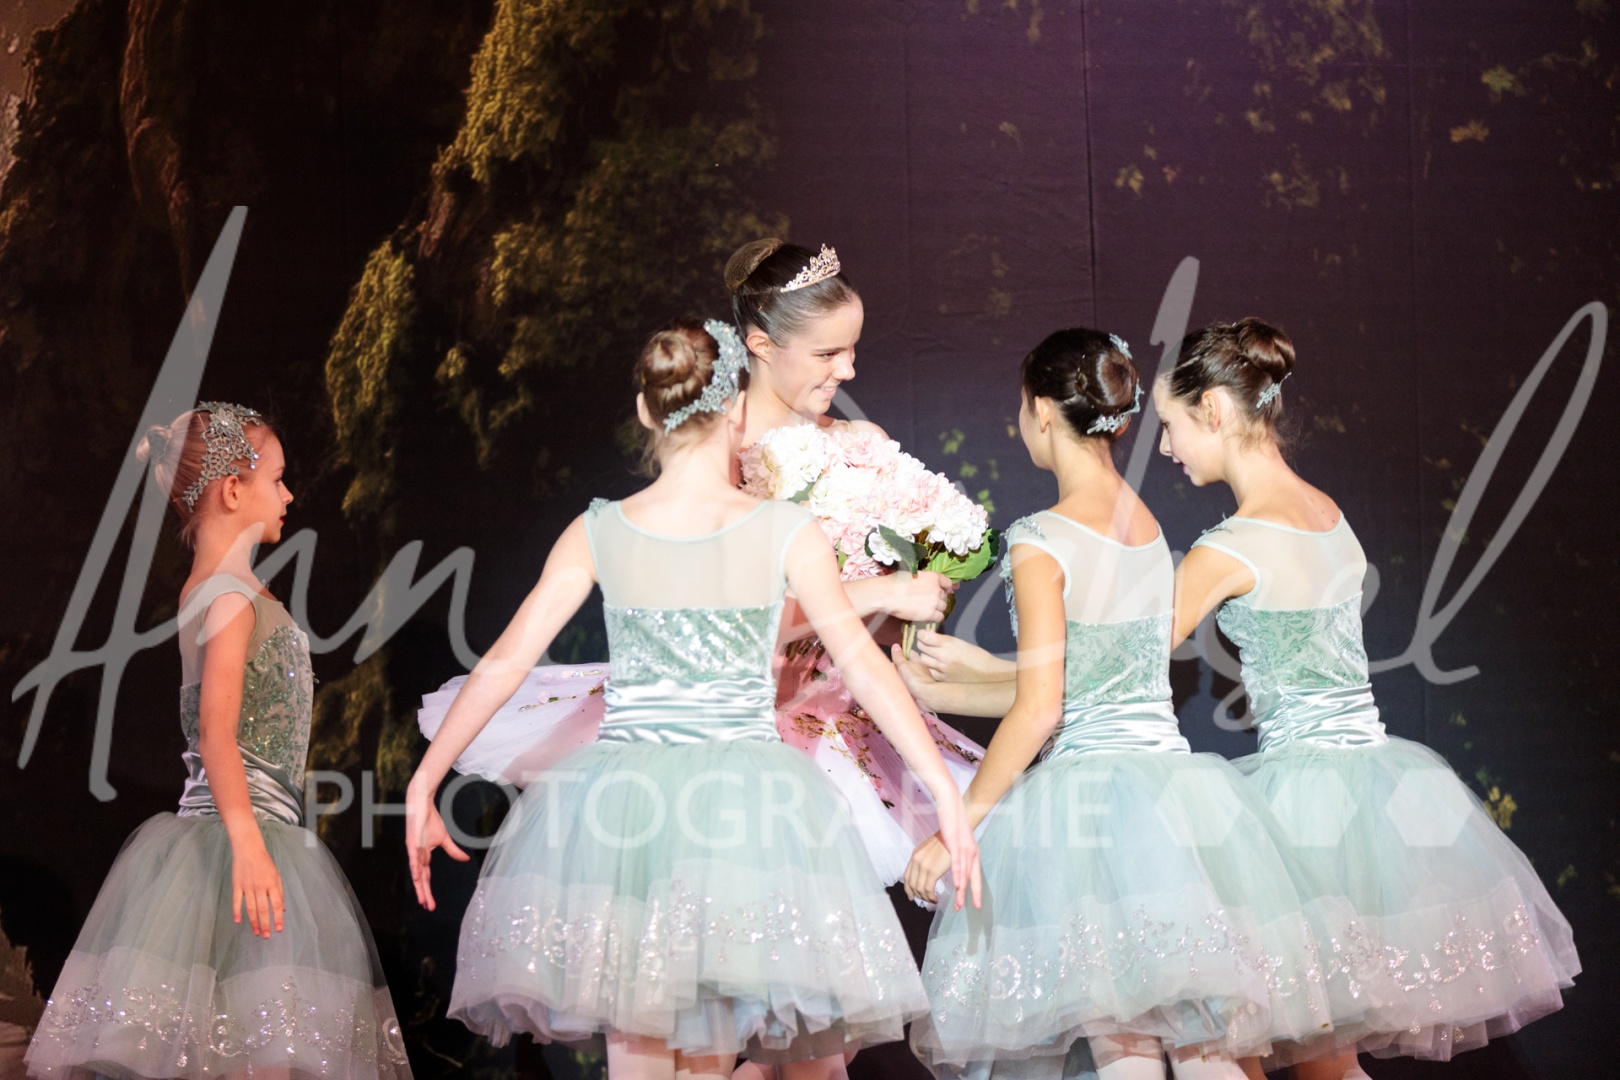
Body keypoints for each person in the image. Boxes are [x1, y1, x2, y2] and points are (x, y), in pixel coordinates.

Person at [407, 320, 981, 1079]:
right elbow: (866, 670)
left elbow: (504, 663)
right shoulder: (784, 530)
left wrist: (425, 781)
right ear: (737, 411)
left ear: (646, 412)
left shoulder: (598, 530)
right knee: (707, 1053)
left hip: (625, 817)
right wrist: (944, 793)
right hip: (739, 812)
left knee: (639, 1051)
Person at [898, 331, 1333, 1080]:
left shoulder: (1041, 539)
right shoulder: (1148, 529)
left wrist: (956, 828)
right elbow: (1099, 682)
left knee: (1123, 1050)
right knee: (1203, 1047)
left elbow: (1042, 708)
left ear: (1041, 411)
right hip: (1176, 809)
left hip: (1093, 814)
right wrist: (951, 688)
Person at [1159, 318, 1580, 1076]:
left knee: (1220, 1039)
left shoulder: (1230, 547)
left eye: (1170, 425)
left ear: (1213, 411)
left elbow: (1122, 666)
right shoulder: (1329, 515)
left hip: (1300, 811)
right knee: (1321, 1055)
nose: (1165, 448)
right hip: (1370, 796)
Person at [26, 403, 412, 1080]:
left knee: (249, 1049)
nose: (288, 495)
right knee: (249, 1052)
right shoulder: (228, 598)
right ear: (233, 489)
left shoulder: (223, 591)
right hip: (240, 837)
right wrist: (249, 845)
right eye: (278, 479)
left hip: (255, 832)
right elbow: (215, 733)